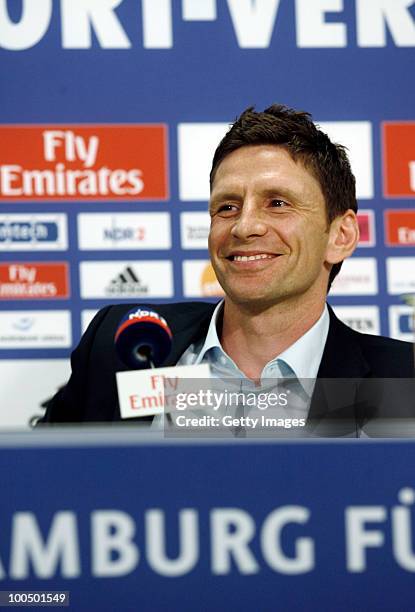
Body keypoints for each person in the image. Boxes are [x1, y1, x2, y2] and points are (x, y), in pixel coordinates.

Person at [39, 104, 414, 434]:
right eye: (227, 207)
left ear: (341, 235)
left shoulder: (402, 380)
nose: (244, 226)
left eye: (278, 203)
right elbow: (43, 483)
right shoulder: (124, 343)